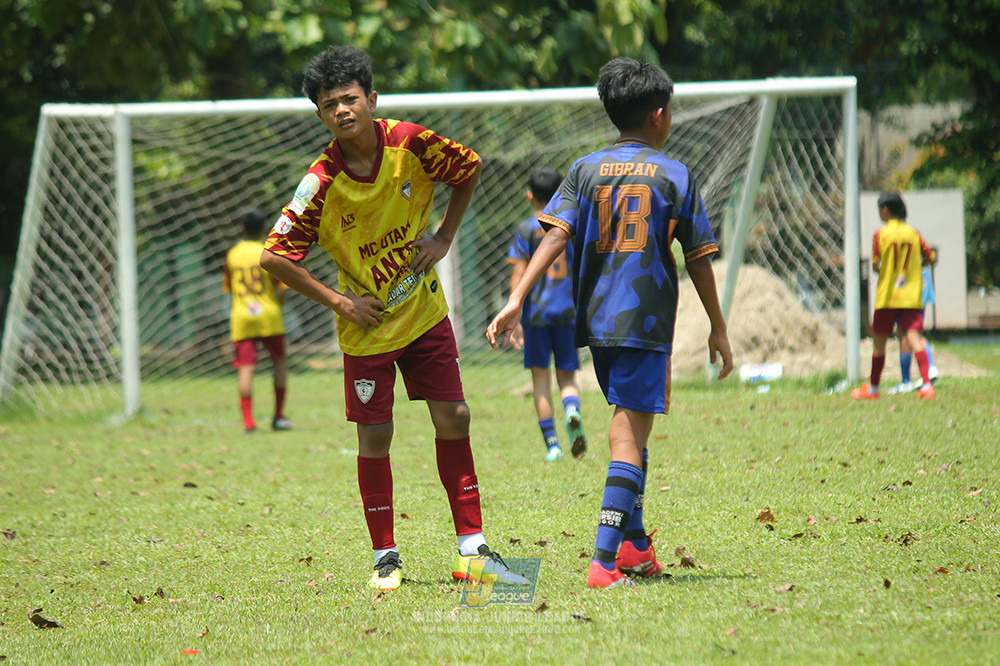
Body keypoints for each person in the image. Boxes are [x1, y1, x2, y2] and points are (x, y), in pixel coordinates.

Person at [259, 45, 525, 592]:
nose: (341, 109)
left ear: (372, 99)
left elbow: (469, 168)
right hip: (367, 331)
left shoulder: (411, 143)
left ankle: (473, 550)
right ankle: (385, 555)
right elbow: (274, 257)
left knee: (455, 417)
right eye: (329, 104)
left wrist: (444, 237)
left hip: (423, 312)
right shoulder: (320, 183)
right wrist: (341, 303)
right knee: (375, 435)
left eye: (349, 98)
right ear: (319, 114)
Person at [487, 57, 734, 588]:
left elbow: (554, 234)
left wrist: (516, 299)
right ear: (659, 115)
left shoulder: (585, 168)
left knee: (633, 432)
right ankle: (602, 563)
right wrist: (718, 326)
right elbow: (698, 258)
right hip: (645, 323)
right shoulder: (676, 174)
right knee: (628, 436)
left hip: (596, 324)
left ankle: (635, 548)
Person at [507, 166, 587, 462]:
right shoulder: (569, 226)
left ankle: (553, 446)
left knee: (541, 381)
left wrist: (514, 312)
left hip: (536, 317)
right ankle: (572, 410)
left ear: (530, 196)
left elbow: (518, 273)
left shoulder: (526, 229)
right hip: (567, 313)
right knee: (567, 378)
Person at [853, 191, 937, 401]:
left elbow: (876, 265)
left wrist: (888, 270)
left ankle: (873, 389)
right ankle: (927, 386)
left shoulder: (880, 235)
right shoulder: (913, 234)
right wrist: (916, 267)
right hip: (910, 296)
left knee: (879, 343)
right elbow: (930, 256)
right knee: (914, 338)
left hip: (888, 296)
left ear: (885, 210)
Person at [222, 208, 293, 434]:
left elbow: (228, 287)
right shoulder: (268, 252)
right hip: (269, 316)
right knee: (279, 361)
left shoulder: (232, 255)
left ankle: (249, 423)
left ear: (241, 228)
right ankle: (278, 416)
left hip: (243, 317)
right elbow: (281, 287)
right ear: (264, 229)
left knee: (246, 368)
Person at [891, 263, 939, 394]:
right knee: (911, 332)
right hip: (920, 283)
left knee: (907, 333)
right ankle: (927, 368)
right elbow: (931, 257)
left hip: (907, 286)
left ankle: (908, 380)